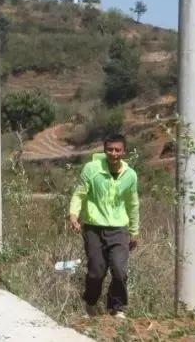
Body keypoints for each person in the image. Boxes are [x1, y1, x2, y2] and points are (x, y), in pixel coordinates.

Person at [68, 134, 139, 318]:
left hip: (119, 229)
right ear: (104, 150)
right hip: (94, 228)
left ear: (124, 152)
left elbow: (133, 204)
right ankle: (90, 304)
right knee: (96, 271)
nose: (113, 153)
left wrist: (134, 231)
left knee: (119, 270)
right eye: (110, 149)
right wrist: (73, 215)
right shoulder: (91, 169)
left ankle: (116, 307)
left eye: (118, 150)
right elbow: (79, 194)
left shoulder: (130, 175)